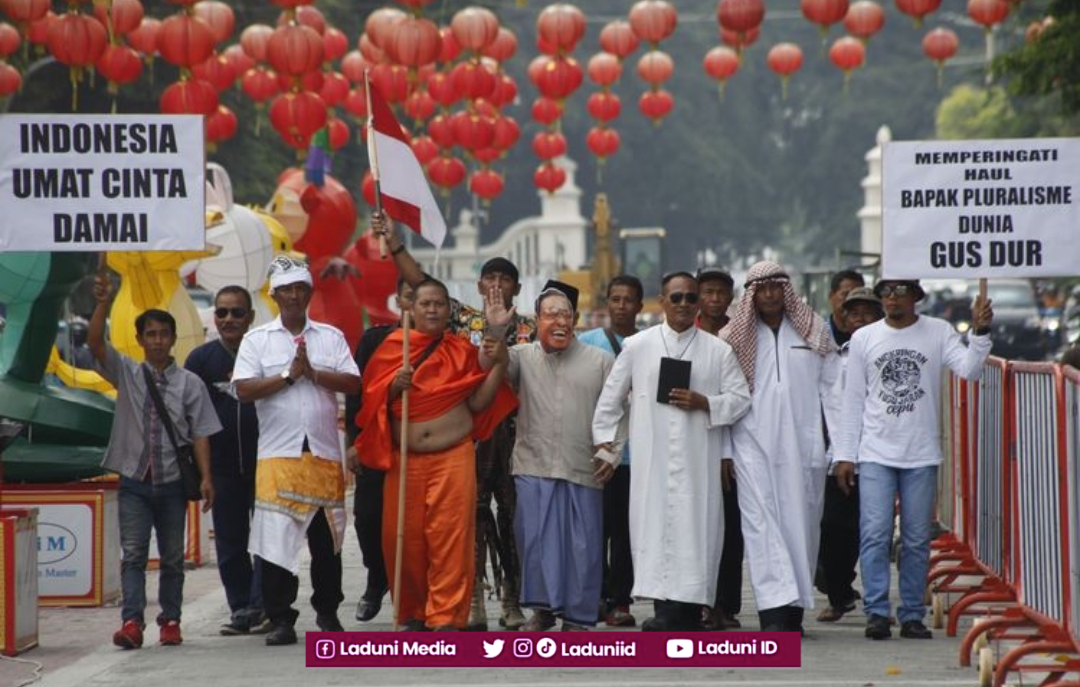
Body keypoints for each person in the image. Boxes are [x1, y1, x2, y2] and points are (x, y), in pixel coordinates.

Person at [371, 211, 534, 630]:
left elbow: (485, 382)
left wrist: (498, 336)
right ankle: (415, 610)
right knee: (403, 538)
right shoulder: (405, 343)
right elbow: (421, 280)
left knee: (472, 531)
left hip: (505, 442)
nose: (496, 288)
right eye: (489, 280)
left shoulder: (520, 328)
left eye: (504, 281)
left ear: (516, 287)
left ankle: (475, 608)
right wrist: (394, 244)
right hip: (414, 458)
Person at [834, 279, 993, 641]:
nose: (891, 297)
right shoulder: (864, 338)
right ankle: (877, 612)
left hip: (920, 452)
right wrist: (845, 454)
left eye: (899, 291)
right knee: (874, 535)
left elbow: (969, 369)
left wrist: (981, 331)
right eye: (886, 291)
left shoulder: (937, 331)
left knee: (917, 538)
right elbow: (853, 400)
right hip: (875, 451)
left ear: (916, 297)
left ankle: (911, 614)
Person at [593, 271, 751, 632]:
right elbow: (610, 400)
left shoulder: (718, 350)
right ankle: (665, 609)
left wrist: (704, 402)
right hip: (653, 460)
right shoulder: (639, 346)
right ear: (661, 301)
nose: (683, 304)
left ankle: (691, 610)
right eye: (676, 297)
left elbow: (741, 400)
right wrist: (605, 443)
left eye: (690, 298)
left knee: (696, 531)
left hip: (698, 459)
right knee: (657, 529)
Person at [233, 257, 361, 646]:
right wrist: (288, 376)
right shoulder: (257, 340)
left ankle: (327, 612)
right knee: (276, 542)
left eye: (300, 289)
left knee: (327, 543)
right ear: (273, 295)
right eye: (285, 290)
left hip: (322, 452)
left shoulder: (330, 336)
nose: (293, 296)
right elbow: (243, 388)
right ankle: (281, 618)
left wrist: (314, 374)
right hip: (277, 456)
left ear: (309, 293)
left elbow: (353, 382)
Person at [88, 273, 220, 650]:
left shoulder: (190, 383)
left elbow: (201, 433)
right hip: (134, 480)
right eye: (151, 334)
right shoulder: (127, 372)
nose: (158, 340)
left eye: (164, 333)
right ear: (141, 339)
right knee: (133, 555)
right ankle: (131, 622)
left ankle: (171, 621)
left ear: (173, 339)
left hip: (175, 482)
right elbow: (94, 343)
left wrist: (207, 477)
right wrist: (101, 302)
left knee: (174, 558)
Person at [720, 260, 841, 634]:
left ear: (786, 290)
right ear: (752, 294)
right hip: (751, 448)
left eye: (777, 286)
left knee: (802, 530)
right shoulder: (732, 338)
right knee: (762, 529)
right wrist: (725, 450)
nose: (770, 294)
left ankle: (793, 614)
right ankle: (773, 613)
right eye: (763, 288)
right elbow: (723, 398)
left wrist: (841, 448)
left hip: (805, 451)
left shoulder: (814, 331)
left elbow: (834, 393)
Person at [510, 281, 623, 632]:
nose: (559, 320)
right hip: (534, 462)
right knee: (536, 542)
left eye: (565, 314)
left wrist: (611, 451)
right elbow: (491, 365)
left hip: (583, 466)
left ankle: (577, 618)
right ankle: (542, 612)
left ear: (574, 320)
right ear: (536, 320)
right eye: (550, 314)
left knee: (583, 546)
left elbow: (622, 408)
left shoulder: (601, 361)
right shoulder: (521, 356)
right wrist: (498, 330)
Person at [184, 286, 265, 636]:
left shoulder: (265, 354)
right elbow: (193, 420)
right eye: (222, 312)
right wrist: (204, 473)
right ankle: (242, 607)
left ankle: (265, 605)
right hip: (222, 466)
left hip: (266, 463)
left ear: (250, 317)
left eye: (236, 312)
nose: (228, 319)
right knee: (231, 542)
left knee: (267, 540)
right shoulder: (200, 361)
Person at [343, 278, 415, 623]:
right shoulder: (375, 340)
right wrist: (353, 443)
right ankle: (377, 577)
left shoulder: (445, 344)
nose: (420, 306)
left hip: (419, 448)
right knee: (368, 518)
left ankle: (414, 598)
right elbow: (357, 393)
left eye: (429, 300)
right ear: (399, 299)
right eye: (411, 297)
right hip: (375, 442)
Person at [579, 275, 643, 628]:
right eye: (615, 299)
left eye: (628, 300)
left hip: (635, 455)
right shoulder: (586, 343)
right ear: (606, 303)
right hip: (596, 453)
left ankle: (620, 600)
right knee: (592, 530)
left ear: (639, 304)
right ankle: (595, 596)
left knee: (624, 532)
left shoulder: (651, 342)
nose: (621, 306)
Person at [816, 285, 883, 623]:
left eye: (867, 312)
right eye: (852, 311)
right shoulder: (830, 355)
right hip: (834, 454)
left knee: (870, 531)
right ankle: (837, 592)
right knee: (831, 527)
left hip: (876, 454)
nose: (859, 317)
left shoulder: (886, 355)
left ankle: (877, 605)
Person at [692, 266, 745, 630]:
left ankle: (725, 604)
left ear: (730, 296)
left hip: (734, 444)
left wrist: (727, 451)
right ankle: (698, 603)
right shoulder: (683, 334)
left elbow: (739, 398)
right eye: (706, 292)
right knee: (693, 528)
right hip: (690, 444)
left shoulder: (740, 336)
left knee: (730, 529)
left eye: (720, 293)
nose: (713, 299)